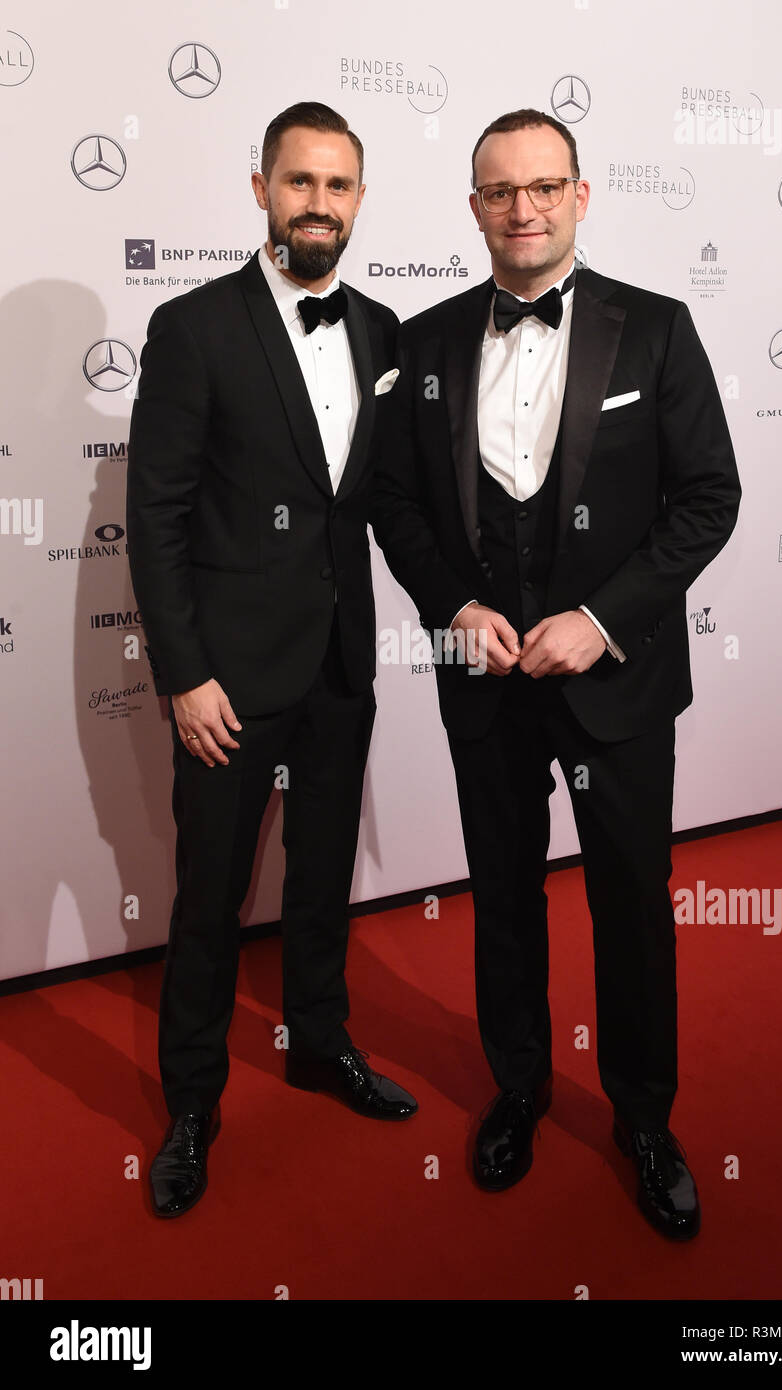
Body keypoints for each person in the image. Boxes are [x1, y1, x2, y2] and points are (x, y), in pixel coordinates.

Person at [372, 108, 740, 1239]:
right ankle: (519, 1087)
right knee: (502, 896)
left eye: (542, 186)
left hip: (616, 678)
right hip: (483, 677)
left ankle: (641, 1116)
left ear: (581, 195)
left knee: (631, 903)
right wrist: (455, 606)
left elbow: (705, 499)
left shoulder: (658, 330)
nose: (521, 208)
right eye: (499, 190)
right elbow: (395, 504)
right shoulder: (422, 343)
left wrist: (599, 615)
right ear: (472, 205)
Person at [127, 101, 416, 1221]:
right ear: (260, 190)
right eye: (299, 183)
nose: (318, 205)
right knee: (209, 900)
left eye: (338, 186)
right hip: (227, 686)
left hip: (342, 666)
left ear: (357, 199)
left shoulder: (385, 331)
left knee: (320, 879)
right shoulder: (194, 327)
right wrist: (183, 675)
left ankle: (318, 1043)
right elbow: (156, 519)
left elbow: (385, 504)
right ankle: (191, 1103)